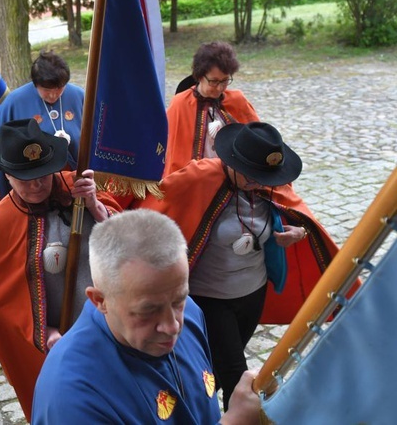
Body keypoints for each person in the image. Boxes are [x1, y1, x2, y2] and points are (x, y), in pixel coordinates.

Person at [134, 121, 339, 410]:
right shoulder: (198, 176)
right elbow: (152, 205)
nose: (258, 183)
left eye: (263, 178)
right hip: (210, 299)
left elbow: (293, 210)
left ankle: (199, 404)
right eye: (251, 177)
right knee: (236, 375)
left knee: (219, 368)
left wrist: (298, 232)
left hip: (253, 293)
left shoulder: (267, 181)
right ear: (233, 163)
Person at [32, 209, 261, 424]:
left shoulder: (190, 312)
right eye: (148, 311)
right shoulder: (71, 396)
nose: (173, 326)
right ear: (100, 301)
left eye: (178, 300)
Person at [0, 118, 121, 420]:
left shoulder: (79, 190)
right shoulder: (0, 224)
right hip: (52, 344)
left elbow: (125, 244)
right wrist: (42, 331)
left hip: (106, 328)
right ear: (7, 175)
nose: (35, 186)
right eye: (23, 179)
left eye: (42, 175)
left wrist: (95, 206)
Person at [0, 51, 84, 198]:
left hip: (76, 185)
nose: (53, 95)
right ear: (36, 84)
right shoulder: (14, 102)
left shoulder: (79, 96)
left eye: (60, 89)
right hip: (32, 188)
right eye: (47, 90)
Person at [163, 41, 259, 176]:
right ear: (200, 76)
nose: (220, 88)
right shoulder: (180, 104)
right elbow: (174, 158)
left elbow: (257, 144)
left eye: (225, 80)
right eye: (214, 81)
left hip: (236, 180)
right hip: (194, 182)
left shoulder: (238, 100)